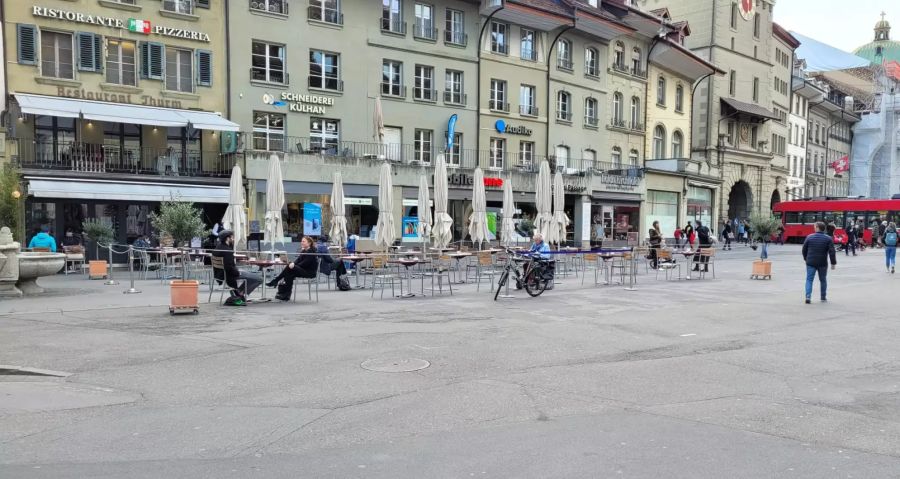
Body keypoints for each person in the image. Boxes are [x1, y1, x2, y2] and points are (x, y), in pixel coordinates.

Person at [213, 230, 261, 305]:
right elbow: (229, 268)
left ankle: (238, 292)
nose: (233, 239)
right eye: (232, 237)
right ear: (227, 238)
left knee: (249, 275)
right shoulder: (227, 251)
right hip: (230, 276)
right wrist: (238, 272)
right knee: (259, 278)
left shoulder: (218, 248)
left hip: (220, 274)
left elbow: (227, 265)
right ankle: (240, 293)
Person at [267, 236, 319, 301]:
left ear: (309, 243)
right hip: (303, 270)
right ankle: (286, 295)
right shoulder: (304, 251)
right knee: (289, 274)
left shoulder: (311, 252)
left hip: (309, 272)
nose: (301, 242)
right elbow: (298, 260)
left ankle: (276, 281)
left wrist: (294, 266)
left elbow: (304, 264)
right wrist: (293, 264)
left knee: (290, 268)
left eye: (303, 241)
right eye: (301, 241)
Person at [801, 221, 837, 304]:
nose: (814, 227)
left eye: (814, 226)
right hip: (822, 263)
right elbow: (832, 252)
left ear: (817, 228)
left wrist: (806, 259)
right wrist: (833, 263)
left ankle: (808, 297)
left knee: (809, 279)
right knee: (823, 280)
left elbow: (804, 250)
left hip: (810, 262)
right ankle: (823, 297)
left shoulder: (809, 237)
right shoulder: (828, 238)